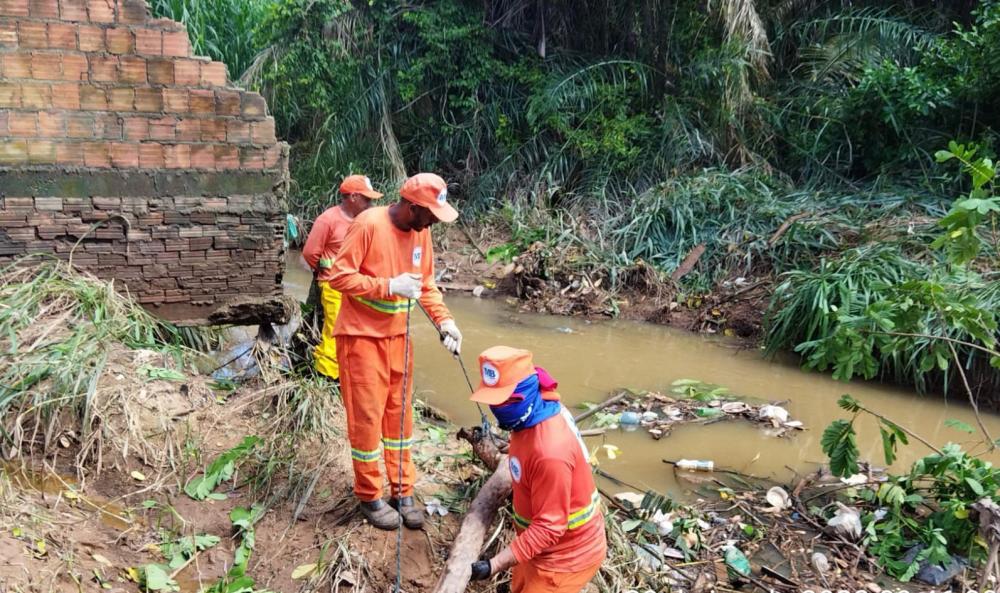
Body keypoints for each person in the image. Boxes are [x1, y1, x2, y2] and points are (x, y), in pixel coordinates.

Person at [320, 172, 463, 530]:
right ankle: (369, 495)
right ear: (412, 206)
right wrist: (388, 286)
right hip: (361, 339)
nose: (433, 222)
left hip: (399, 338)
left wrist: (446, 323)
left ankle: (403, 490)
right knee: (367, 421)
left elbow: (426, 286)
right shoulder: (368, 224)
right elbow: (338, 277)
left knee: (400, 420)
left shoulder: (421, 233)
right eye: (430, 214)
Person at [467, 346, 606, 593]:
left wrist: (493, 565)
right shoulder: (534, 414)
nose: (495, 410)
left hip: (564, 559)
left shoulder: (551, 452)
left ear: (522, 396)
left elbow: (549, 527)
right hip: (538, 548)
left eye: (501, 402)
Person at [301, 175, 383, 380]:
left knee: (354, 333)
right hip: (333, 287)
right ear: (353, 197)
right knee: (334, 332)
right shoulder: (328, 219)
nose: (370, 203)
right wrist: (324, 274)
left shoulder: (365, 221)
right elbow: (311, 253)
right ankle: (326, 377)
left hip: (356, 287)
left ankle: (348, 373)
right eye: (367, 198)